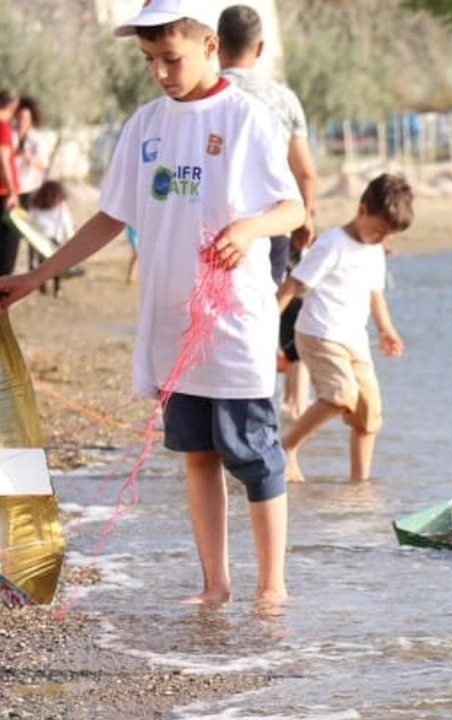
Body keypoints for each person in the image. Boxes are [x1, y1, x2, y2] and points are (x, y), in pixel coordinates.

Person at [0, 0, 305, 606]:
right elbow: (110, 217)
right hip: (170, 323)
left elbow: (292, 209)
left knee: (254, 454)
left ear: (210, 46)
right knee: (196, 453)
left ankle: (272, 587)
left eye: (171, 58)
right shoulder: (144, 125)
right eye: (149, 61)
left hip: (233, 321)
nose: (161, 72)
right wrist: (38, 276)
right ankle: (215, 586)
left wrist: (247, 231)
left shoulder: (246, 116)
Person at [217, 4, 320, 419]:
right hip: (271, 222)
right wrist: (304, 218)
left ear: (216, 45)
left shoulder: (203, 93)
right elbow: (306, 173)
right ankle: (253, 403)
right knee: (261, 309)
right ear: (259, 48)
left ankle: (212, 399)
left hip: (211, 218)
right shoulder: (282, 99)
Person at [275, 173, 410, 484]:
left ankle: (359, 483)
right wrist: (268, 326)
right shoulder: (332, 243)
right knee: (340, 395)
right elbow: (294, 284)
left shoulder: (375, 250)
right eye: (378, 230)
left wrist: (386, 330)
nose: (382, 239)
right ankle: (288, 446)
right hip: (318, 333)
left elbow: (375, 294)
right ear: (362, 210)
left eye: (389, 235)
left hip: (354, 341)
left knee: (369, 414)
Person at [25, 179, 77, 296]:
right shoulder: (41, 208)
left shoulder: (58, 210)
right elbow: (67, 228)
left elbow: (68, 227)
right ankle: (49, 287)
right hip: (44, 240)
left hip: (46, 240)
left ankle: (51, 287)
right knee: (47, 265)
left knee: (48, 265)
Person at [0, 89, 22, 276]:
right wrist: (12, 192)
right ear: (13, 106)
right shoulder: (3, 127)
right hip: (4, 194)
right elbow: (4, 158)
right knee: (7, 253)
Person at [14, 97, 47, 212]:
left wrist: (28, 156)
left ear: (31, 120)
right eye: (18, 117)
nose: (20, 121)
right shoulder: (10, 135)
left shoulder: (36, 139)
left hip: (28, 189)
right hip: (10, 188)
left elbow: (43, 164)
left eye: (24, 118)